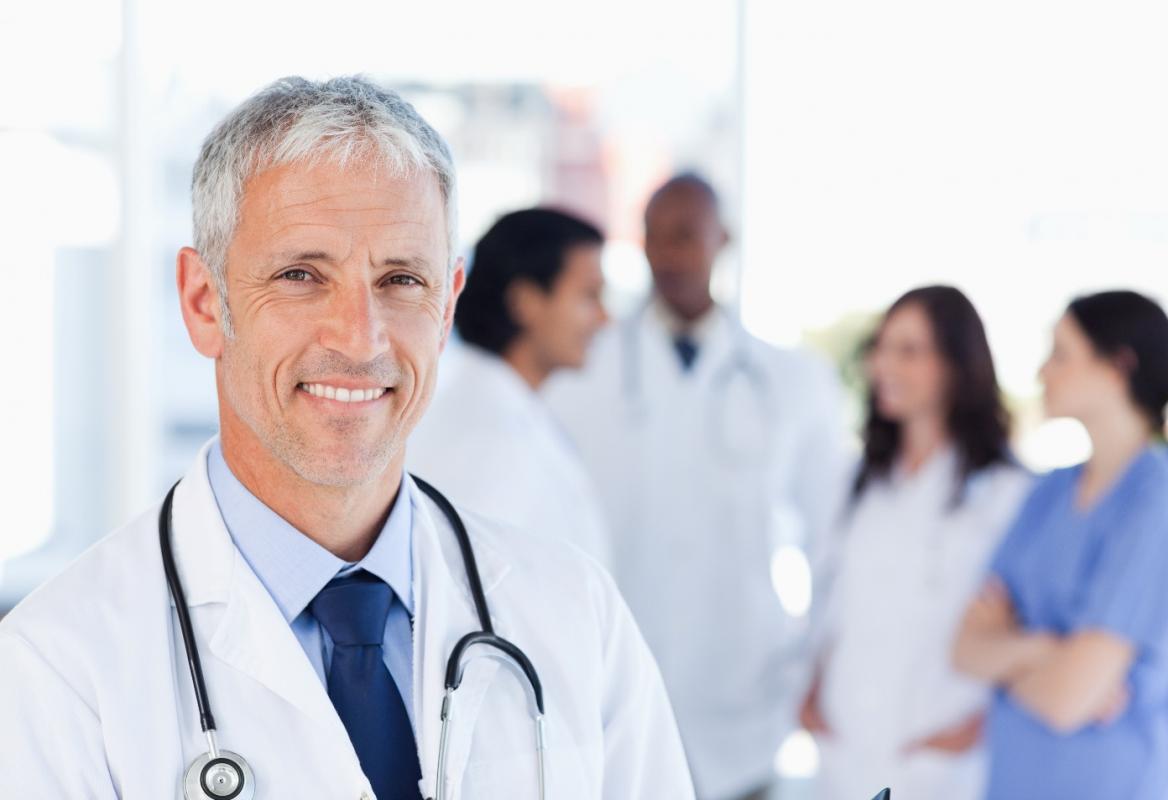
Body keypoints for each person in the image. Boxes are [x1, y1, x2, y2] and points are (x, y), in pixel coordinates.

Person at [0, 76, 694, 799]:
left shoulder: (577, 618)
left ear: (448, 304)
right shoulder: (56, 670)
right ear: (206, 303)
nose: (360, 338)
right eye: (301, 275)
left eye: (400, 279)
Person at [545, 172, 847, 800]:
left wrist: (814, 659)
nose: (668, 254)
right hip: (615, 680)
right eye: (653, 237)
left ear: (724, 239)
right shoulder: (582, 370)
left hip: (745, 690)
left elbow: (830, 536)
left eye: (685, 235)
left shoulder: (789, 381)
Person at [954, 290, 1168, 800]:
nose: (1044, 371)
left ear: (1117, 367)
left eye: (1061, 354)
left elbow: (1067, 699)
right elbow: (963, 650)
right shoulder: (1048, 492)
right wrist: (1047, 651)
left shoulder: (1159, 504)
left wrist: (1009, 657)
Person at [800, 286, 1031, 799]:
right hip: (845, 747)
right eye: (881, 348)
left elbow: (1023, 626)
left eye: (908, 350)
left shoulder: (1007, 493)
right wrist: (811, 686)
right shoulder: (856, 479)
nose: (884, 365)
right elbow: (830, 600)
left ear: (956, 363)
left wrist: (985, 722)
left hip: (942, 752)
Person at [407, 208, 612, 568]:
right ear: (526, 302)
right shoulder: (486, 433)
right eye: (588, 296)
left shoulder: (504, 407)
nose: (604, 318)